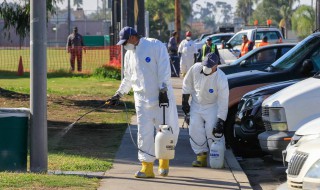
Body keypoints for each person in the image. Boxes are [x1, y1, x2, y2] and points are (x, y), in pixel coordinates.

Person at [107, 26, 180, 178]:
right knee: (144, 133)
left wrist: (163, 90)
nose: (124, 45)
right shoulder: (129, 55)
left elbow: (164, 70)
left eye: (125, 42)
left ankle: (164, 162)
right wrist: (118, 94)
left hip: (161, 98)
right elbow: (128, 78)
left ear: (133, 37)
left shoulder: (155, 46)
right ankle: (147, 167)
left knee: (166, 130)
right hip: (141, 100)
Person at [181, 52, 229, 167]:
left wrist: (221, 119)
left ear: (216, 66)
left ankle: (217, 158)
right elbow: (187, 84)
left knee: (212, 131)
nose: (206, 68)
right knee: (194, 129)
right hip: (196, 104)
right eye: (205, 65)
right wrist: (185, 100)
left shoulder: (221, 78)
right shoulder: (196, 68)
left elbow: (223, 101)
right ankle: (201, 156)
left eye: (209, 66)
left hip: (212, 106)